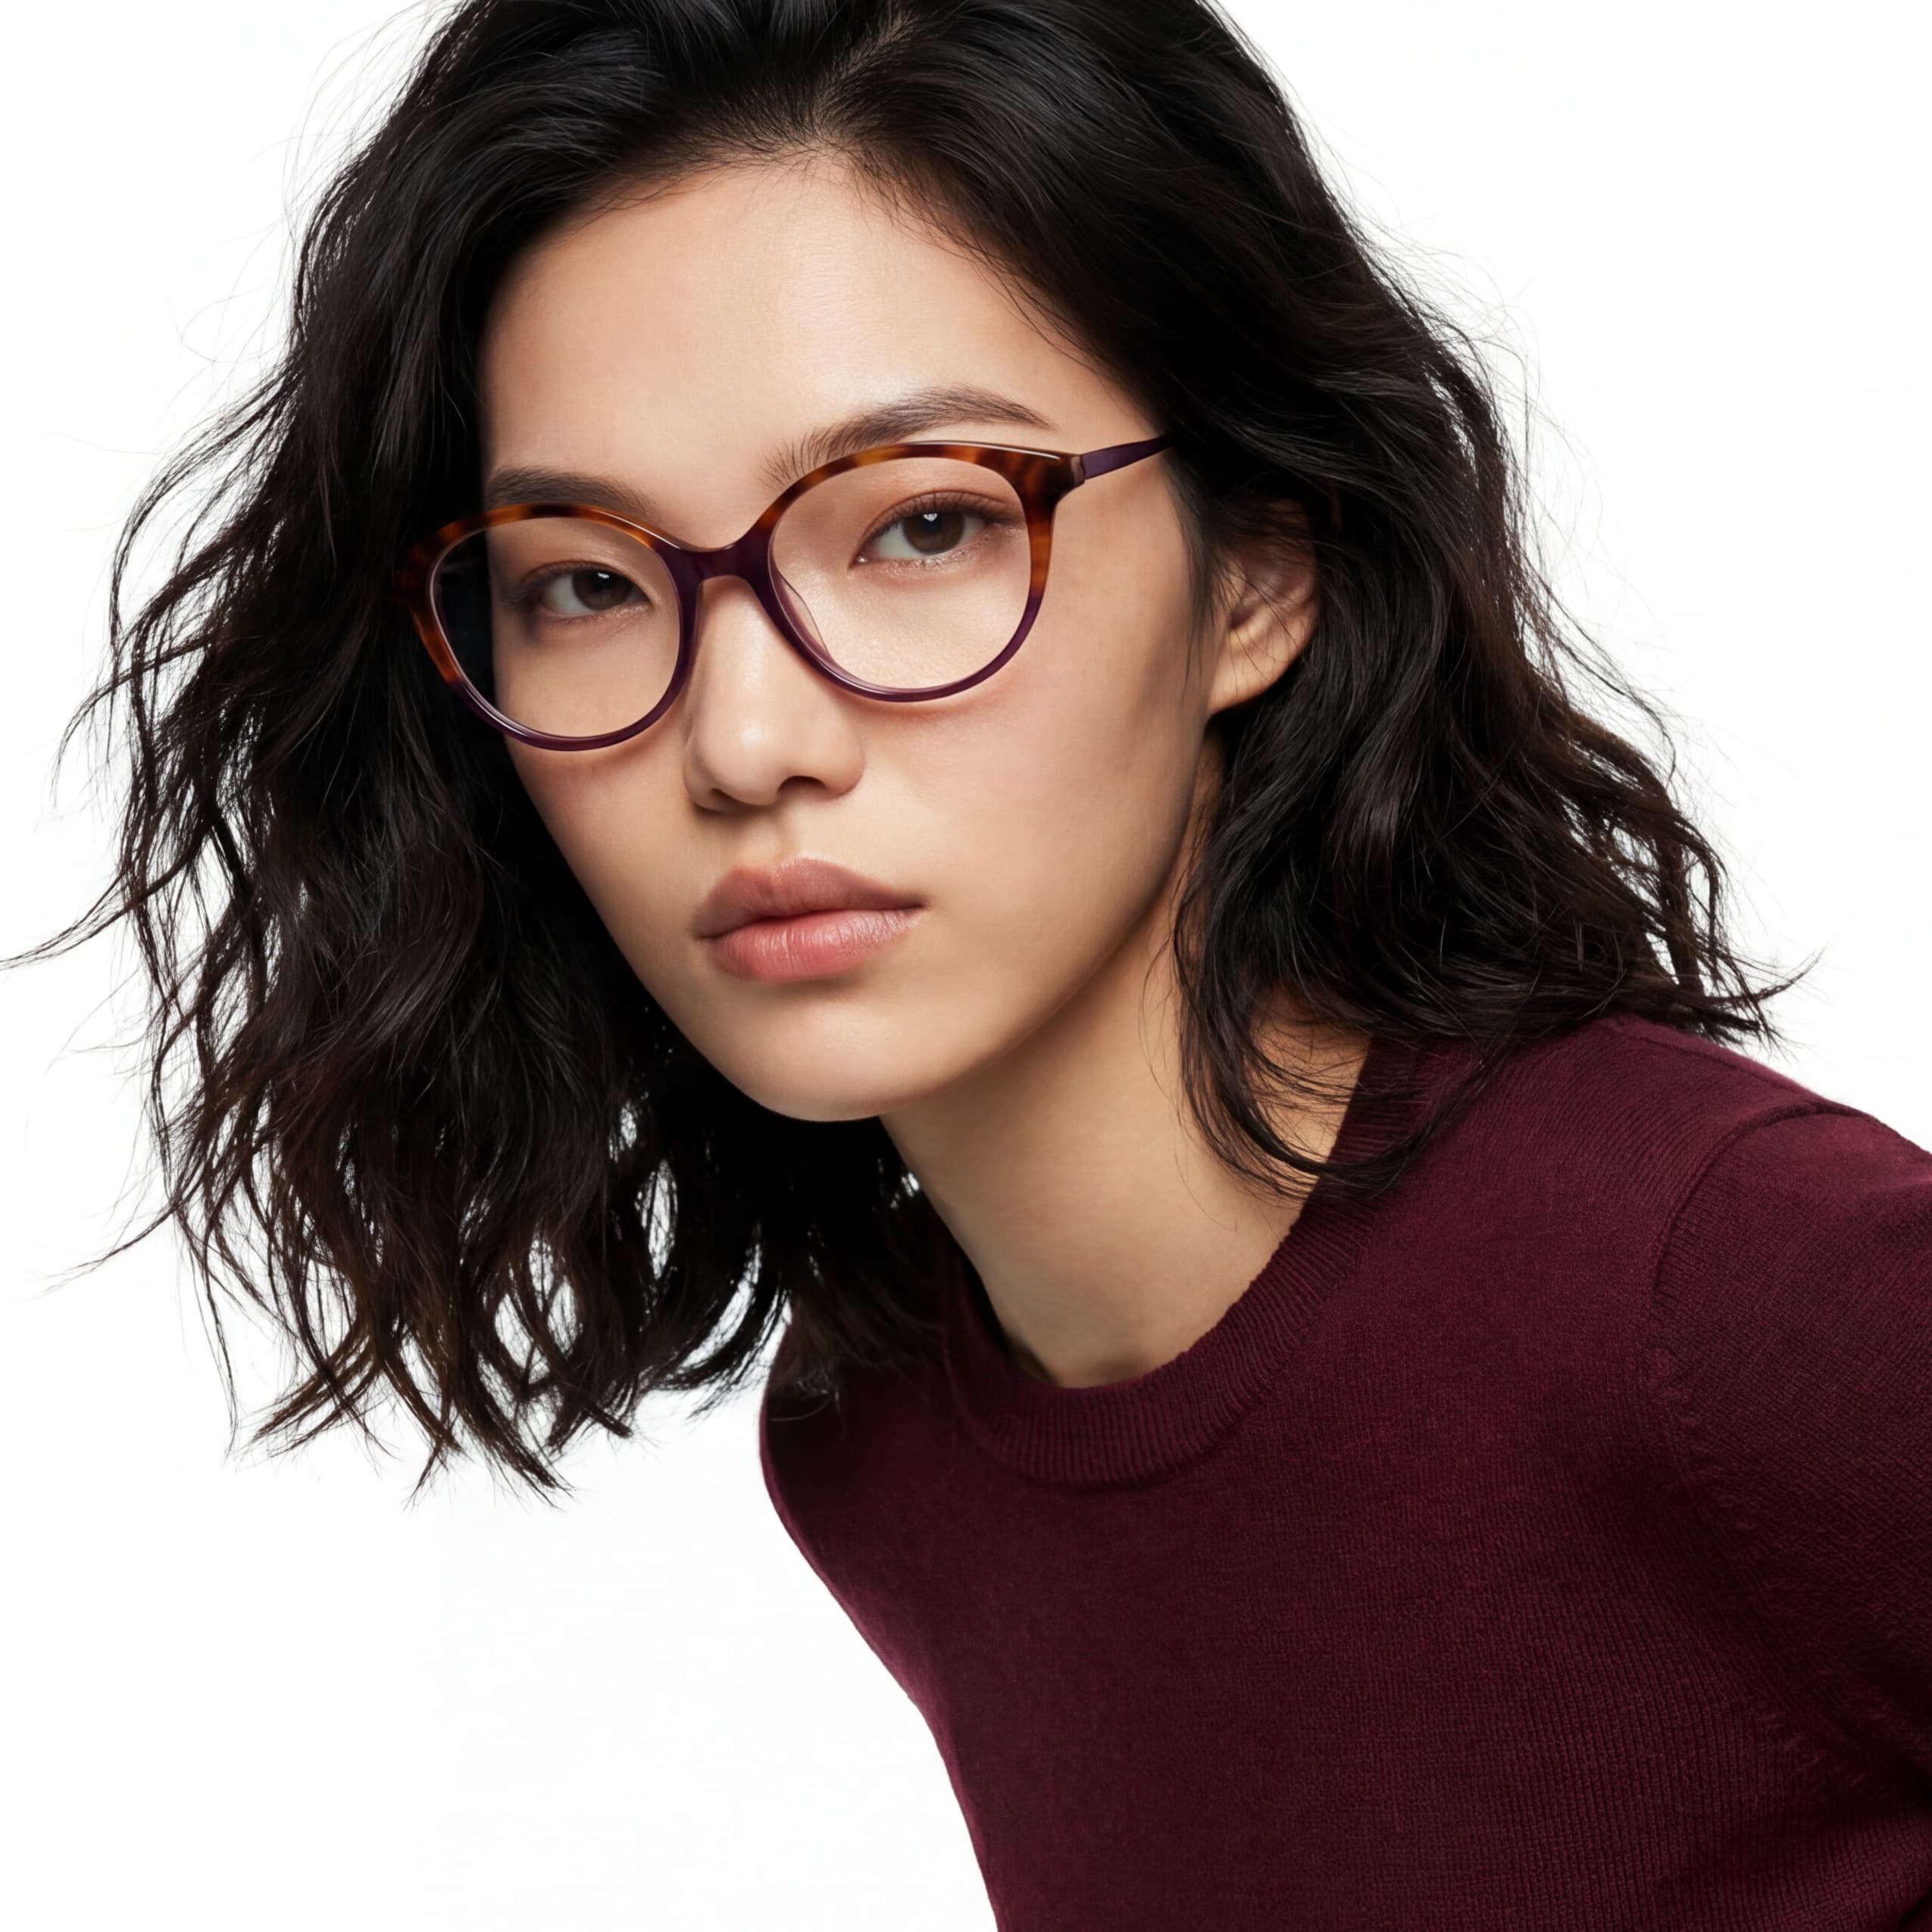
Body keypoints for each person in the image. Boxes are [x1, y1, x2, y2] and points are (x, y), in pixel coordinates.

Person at [57, 0, 1932, 1923]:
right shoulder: (884, 1440)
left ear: (1261, 573)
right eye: (588, 585)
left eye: (928, 525)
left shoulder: (1748, 1293)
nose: (747, 737)